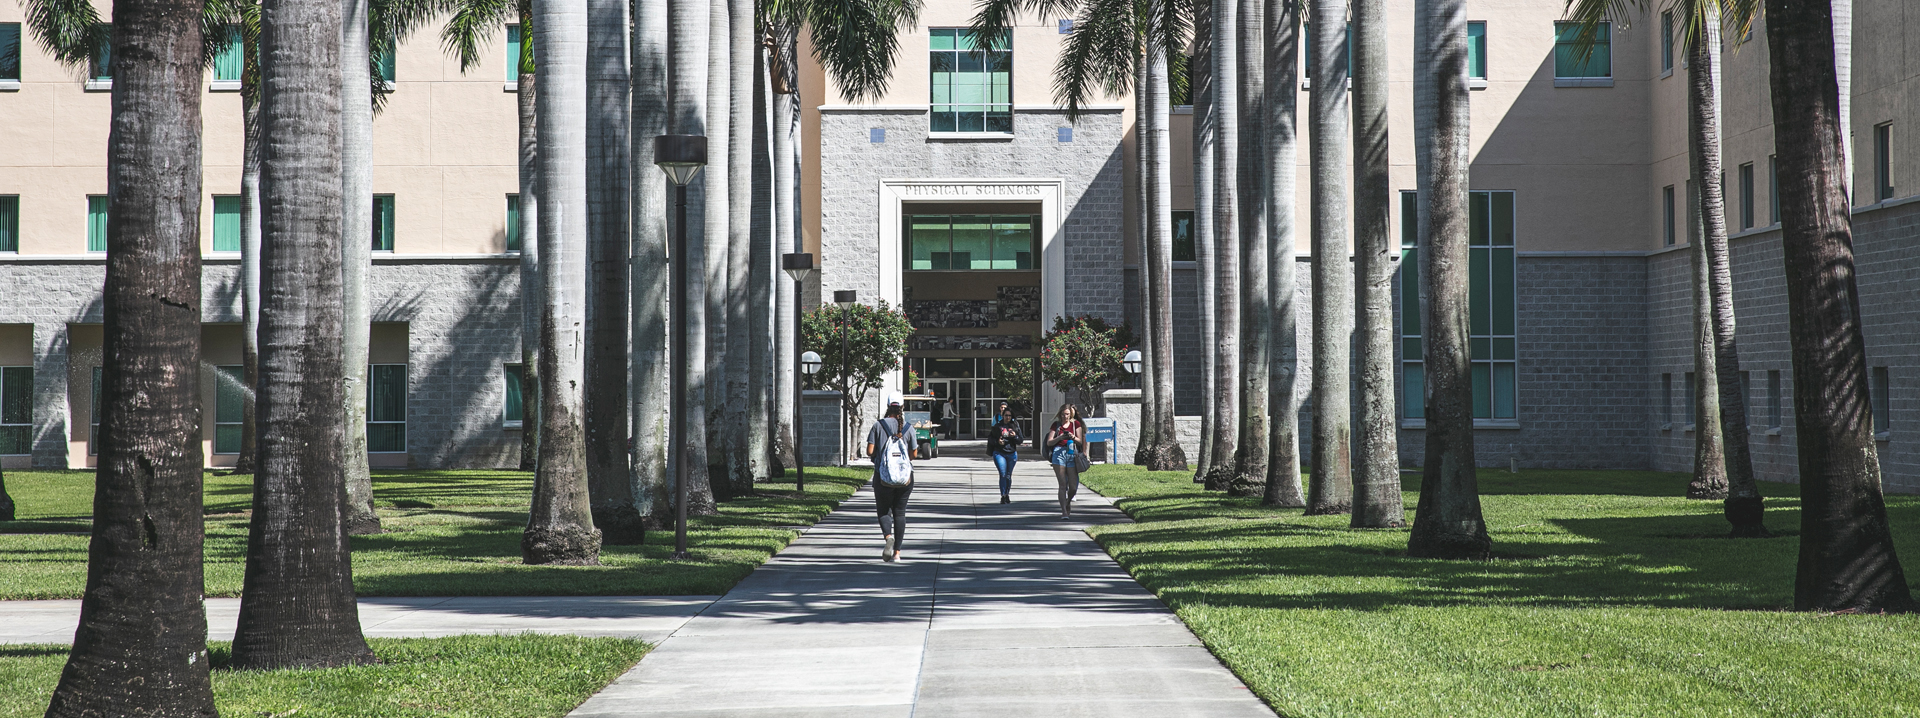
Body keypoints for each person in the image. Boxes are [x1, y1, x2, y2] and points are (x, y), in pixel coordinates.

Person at [866, 399, 918, 562]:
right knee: (900, 513)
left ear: (888, 408)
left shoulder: (878, 425)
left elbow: (870, 451)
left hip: (883, 477)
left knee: (883, 511)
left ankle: (888, 536)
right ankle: (897, 554)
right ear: (902, 409)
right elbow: (914, 455)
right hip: (905, 479)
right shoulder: (909, 428)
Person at [1045, 403, 1087, 519]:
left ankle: (1068, 502)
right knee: (1062, 485)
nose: (1065, 417)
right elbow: (1049, 442)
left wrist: (1072, 437)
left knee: (1073, 487)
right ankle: (1064, 511)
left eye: (1067, 414)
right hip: (1058, 454)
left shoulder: (1075, 424)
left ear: (1071, 414)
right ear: (1060, 414)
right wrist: (1060, 437)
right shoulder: (1056, 425)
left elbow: (1080, 441)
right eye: (1063, 414)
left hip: (1072, 453)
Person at [986, 402, 1023, 504]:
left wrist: (1014, 436)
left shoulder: (1015, 426)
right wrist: (998, 441)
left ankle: (1007, 494)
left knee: (1008, 475)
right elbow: (990, 439)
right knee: (1002, 474)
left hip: (1011, 453)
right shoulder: (998, 426)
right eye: (1006, 415)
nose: (1007, 417)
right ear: (1002, 416)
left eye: (1009, 415)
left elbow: (1020, 440)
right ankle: (1003, 495)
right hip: (999, 453)